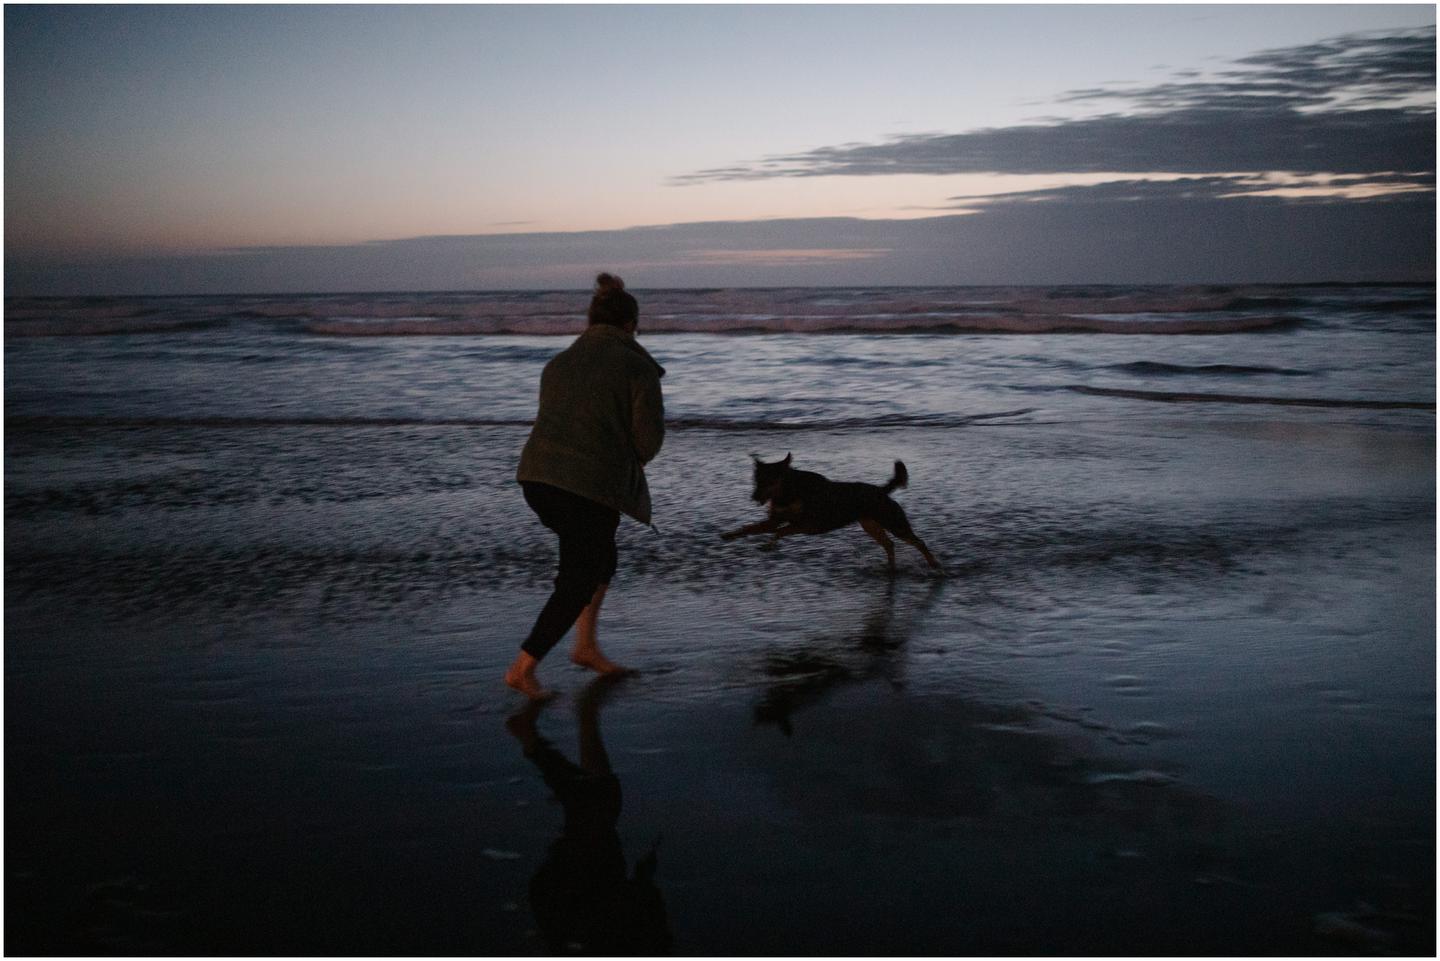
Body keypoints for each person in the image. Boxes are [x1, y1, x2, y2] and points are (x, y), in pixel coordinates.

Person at [505, 273, 665, 699]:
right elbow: (648, 442)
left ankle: (586, 646)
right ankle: (523, 669)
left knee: (600, 557)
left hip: (536, 478)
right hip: (586, 488)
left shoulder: (557, 364)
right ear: (631, 325)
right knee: (579, 578)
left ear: (591, 322)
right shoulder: (637, 366)